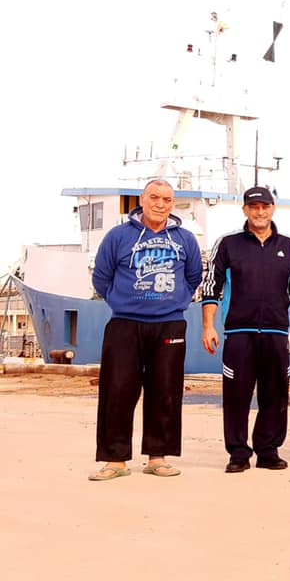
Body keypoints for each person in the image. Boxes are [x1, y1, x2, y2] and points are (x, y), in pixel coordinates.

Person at [88, 179, 203, 481]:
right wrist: (121, 301)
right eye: (154, 197)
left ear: (172, 203)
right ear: (143, 199)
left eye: (167, 199)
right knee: (118, 390)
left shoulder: (185, 240)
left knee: (165, 390)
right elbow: (102, 277)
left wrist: (174, 301)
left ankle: (158, 457)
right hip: (125, 324)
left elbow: (193, 278)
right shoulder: (118, 236)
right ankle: (115, 460)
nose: (160, 204)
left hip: (169, 323)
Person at [200, 186, 290, 474]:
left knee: (275, 394)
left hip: (276, 334)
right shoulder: (228, 245)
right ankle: (237, 453)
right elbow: (211, 287)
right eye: (254, 207)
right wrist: (208, 326)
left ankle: (268, 450)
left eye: (265, 206)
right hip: (239, 334)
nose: (260, 212)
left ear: (272, 209)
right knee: (236, 395)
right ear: (245, 210)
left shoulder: (289, 246)